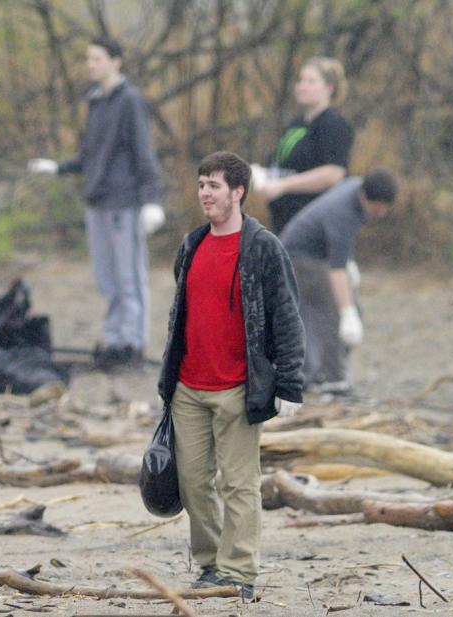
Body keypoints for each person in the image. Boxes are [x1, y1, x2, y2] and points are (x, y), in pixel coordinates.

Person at [156, 151, 305, 600]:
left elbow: (286, 315)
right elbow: (179, 316)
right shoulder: (192, 244)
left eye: (214, 185)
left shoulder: (262, 247)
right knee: (193, 482)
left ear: (238, 192)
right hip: (188, 386)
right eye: (201, 184)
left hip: (239, 388)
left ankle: (239, 570)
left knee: (239, 484)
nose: (205, 193)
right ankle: (209, 564)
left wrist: (290, 382)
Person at [27, 37, 163, 371]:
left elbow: (142, 151)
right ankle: (114, 340)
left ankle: (132, 343)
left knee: (128, 278)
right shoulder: (96, 102)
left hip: (124, 201)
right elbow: (91, 156)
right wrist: (59, 168)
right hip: (97, 202)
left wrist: (151, 199)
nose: (91, 64)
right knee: (107, 278)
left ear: (116, 61)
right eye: (88, 59)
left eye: (98, 58)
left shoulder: (130, 100)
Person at [280, 170, 398, 395]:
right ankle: (333, 380)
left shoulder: (357, 185)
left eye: (384, 208)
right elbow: (336, 272)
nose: (380, 213)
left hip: (312, 253)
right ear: (365, 197)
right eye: (377, 208)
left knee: (317, 314)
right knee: (333, 313)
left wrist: (348, 262)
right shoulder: (343, 214)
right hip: (299, 257)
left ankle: (309, 375)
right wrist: (347, 312)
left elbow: (339, 250)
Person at [252, 57, 354, 235]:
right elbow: (284, 163)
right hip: (283, 219)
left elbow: (334, 173)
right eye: (300, 80)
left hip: (313, 222)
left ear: (329, 88)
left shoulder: (334, 125)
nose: (302, 86)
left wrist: (283, 185)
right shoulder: (296, 123)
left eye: (311, 81)